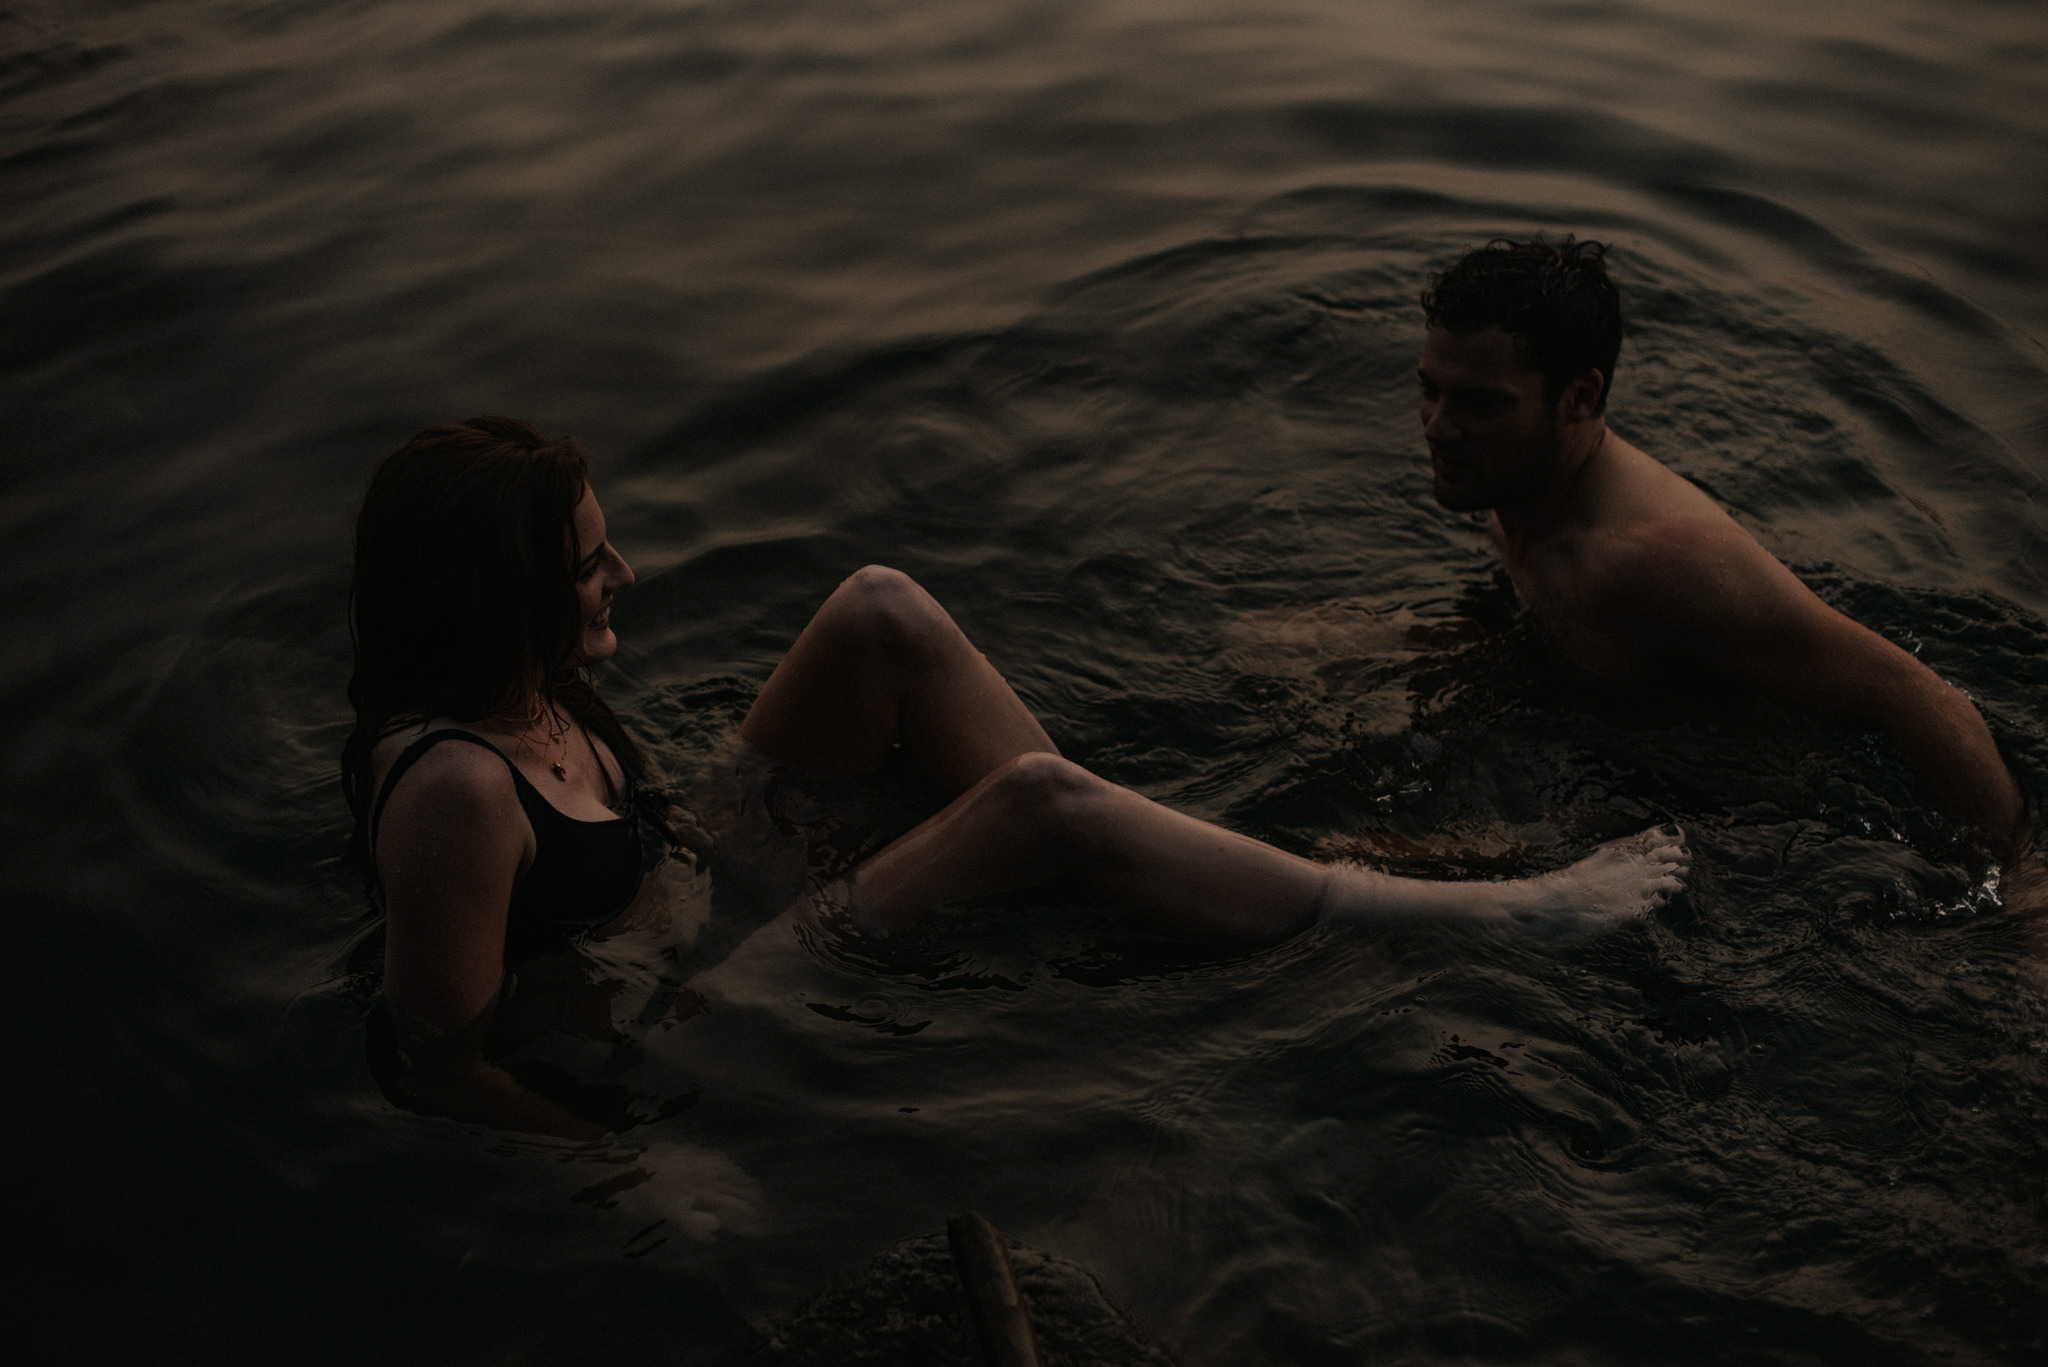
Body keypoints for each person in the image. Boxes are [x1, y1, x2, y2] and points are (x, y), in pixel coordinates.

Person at [343, 417, 1689, 1138]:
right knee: (1038, 805)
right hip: (678, 1012)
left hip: (684, 883)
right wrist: (636, 1167)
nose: (621, 575)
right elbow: (438, 1066)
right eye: (588, 564)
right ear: (503, 594)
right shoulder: (458, 788)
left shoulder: (527, 684)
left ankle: (1124, 852)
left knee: (880, 606)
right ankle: (1493, 916)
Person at [1413, 236, 2038, 897]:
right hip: (1614, 762)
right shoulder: (1506, 484)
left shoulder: (1652, 558)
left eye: (1481, 404)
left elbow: (1913, 691)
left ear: (1580, 396)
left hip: (1758, 837)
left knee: (1384, 873)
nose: (1437, 427)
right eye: (1430, 389)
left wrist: (2026, 887)